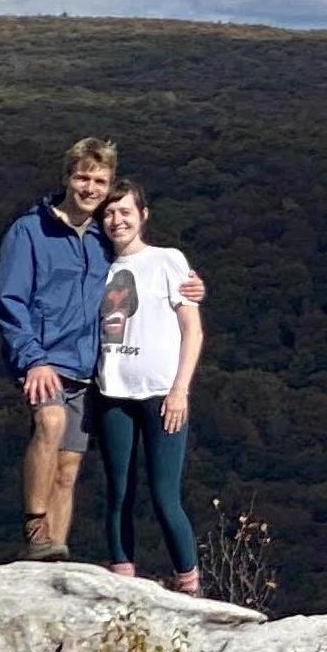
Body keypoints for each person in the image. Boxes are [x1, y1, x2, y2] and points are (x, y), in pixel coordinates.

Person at [0, 139, 199, 561]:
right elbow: (10, 300)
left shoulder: (104, 239)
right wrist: (32, 359)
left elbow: (140, 269)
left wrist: (191, 287)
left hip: (90, 369)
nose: (90, 187)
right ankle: (35, 531)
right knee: (48, 423)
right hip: (43, 361)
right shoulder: (30, 231)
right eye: (82, 176)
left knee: (68, 471)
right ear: (67, 177)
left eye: (99, 180)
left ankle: (55, 554)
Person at [89, 182, 204, 591]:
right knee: (118, 492)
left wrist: (180, 390)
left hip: (160, 395)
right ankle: (123, 583)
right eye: (109, 213)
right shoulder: (96, 263)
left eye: (124, 212)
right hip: (111, 392)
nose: (116, 221)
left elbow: (192, 329)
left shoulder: (167, 261)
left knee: (163, 496)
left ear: (143, 214)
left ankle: (189, 586)